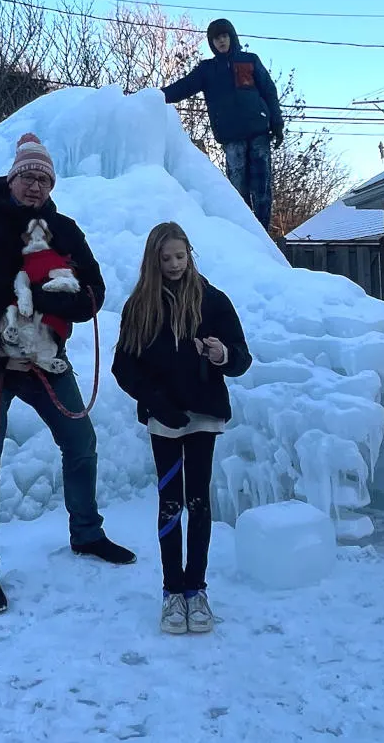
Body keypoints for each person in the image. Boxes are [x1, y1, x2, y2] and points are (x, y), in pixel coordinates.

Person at [0, 133, 136, 614]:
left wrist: (45, 301)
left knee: (80, 440)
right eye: (28, 176)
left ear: (52, 186)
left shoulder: (65, 230)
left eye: (43, 179)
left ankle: (87, 534)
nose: (35, 186)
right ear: (12, 178)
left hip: (45, 358)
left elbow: (94, 294)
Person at [111, 222, 252, 634]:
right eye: (165, 258)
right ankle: (172, 591)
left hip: (204, 415)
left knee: (199, 501)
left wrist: (223, 353)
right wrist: (154, 401)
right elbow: (124, 365)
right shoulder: (140, 306)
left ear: (190, 254)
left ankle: (197, 590)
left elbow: (242, 359)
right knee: (170, 501)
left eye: (180, 256)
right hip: (164, 418)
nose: (174, 264)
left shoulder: (213, 301)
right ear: (153, 261)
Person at [162, 18, 284, 231]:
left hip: (259, 132)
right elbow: (183, 87)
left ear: (232, 37)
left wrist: (277, 122)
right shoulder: (207, 70)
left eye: (224, 36)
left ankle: (263, 234)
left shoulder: (250, 60)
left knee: (262, 188)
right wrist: (156, 96)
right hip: (231, 137)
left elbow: (269, 91)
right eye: (216, 38)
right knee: (237, 190)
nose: (221, 41)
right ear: (211, 43)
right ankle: (243, 232)